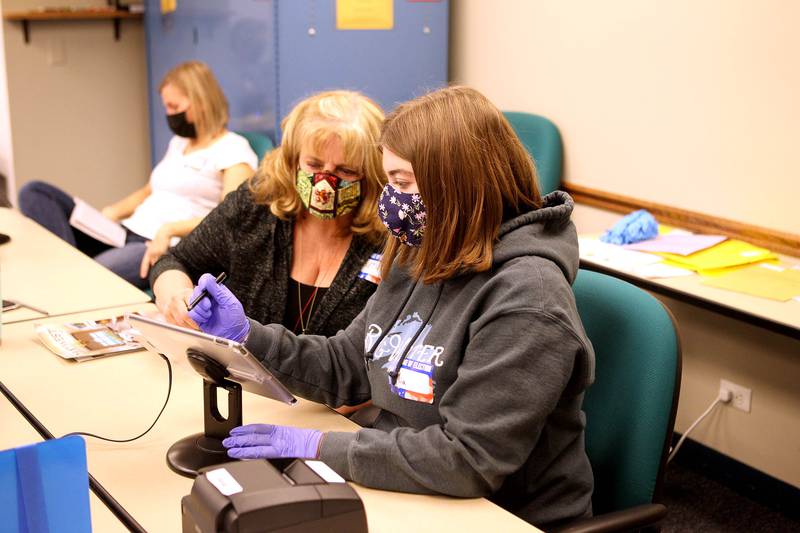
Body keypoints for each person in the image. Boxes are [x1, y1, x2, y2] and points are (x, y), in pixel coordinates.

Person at [186, 86, 595, 530]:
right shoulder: (423, 249)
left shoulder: (528, 300)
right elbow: (349, 363)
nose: (389, 201)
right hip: (406, 482)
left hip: (499, 515)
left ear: (455, 184)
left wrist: (322, 448)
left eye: (401, 183)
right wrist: (248, 336)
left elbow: (468, 460)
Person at [150, 90, 387, 343]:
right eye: (314, 165)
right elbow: (175, 261)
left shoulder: (389, 240)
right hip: (239, 378)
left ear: (373, 174)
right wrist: (178, 296)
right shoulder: (257, 205)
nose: (324, 184)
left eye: (346, 170)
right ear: (292, 160)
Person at [18, 61, 258, 289]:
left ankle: (72, 273)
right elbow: (148, 191)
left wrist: (169, 230)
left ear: (201, 102)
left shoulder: (233, 148)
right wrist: (108, 214)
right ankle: (72, 269)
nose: (168, 114)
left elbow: (230, 218)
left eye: (174, 107)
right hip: (124, 232)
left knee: (93, 275)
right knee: (35, 192)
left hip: (157, 245)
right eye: (166, 107)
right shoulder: (179, 143)